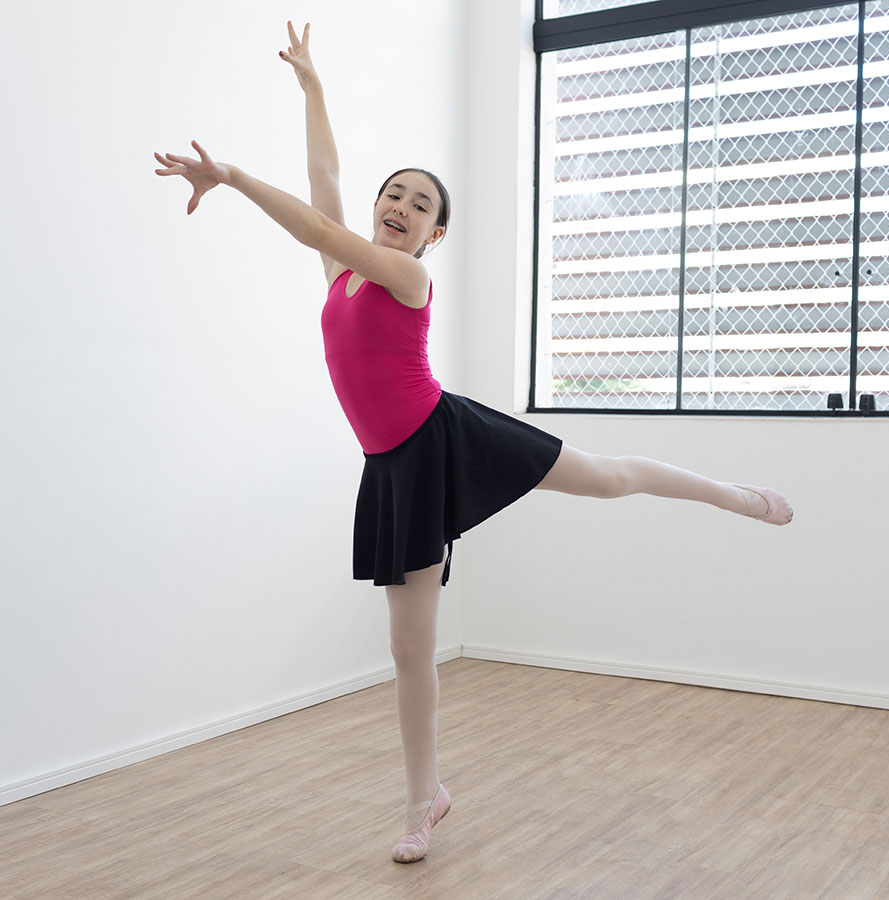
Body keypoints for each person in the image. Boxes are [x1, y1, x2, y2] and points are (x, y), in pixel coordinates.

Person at [154, 20, 794, 864]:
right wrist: (312, 85)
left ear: (435, 235)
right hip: (393, 468)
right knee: (408, 648)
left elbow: (317, 227)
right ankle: (424, 800)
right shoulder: (343, 277)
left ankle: (733, 495)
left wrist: (234, 177)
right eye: (394, 195)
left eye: (420, 205)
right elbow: (324, 182)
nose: (400, 207)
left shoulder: (405, 275)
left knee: (606, 478)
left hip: (447, 435)